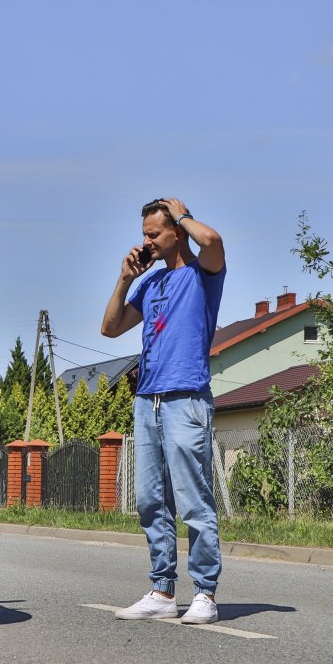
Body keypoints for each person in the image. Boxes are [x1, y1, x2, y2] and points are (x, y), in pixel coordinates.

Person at [101, 197, 226, 624]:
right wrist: (124, 279)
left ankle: (205, 593)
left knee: (193, 500)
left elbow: (212, 241)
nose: (146, 241)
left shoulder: (201, 275)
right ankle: (162, 591)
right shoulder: (149, 284)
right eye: (144, 234)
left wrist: (185, 214)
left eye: (154, 233)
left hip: (186, 399)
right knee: (151, 501)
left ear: (176, 231)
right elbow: (110, 327)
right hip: (147, 401)